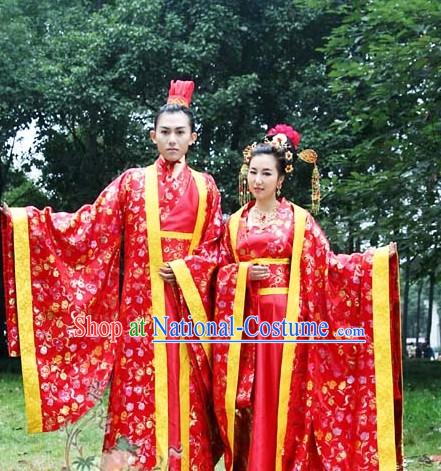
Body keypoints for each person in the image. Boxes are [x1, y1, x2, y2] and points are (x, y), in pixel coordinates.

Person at [1, 80, 223, 470]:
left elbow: (216, 247)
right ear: (153, 136)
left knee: (186, 398)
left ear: (193, 138)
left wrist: (189, 269)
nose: (172, 140)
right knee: (137, 396)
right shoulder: (132, 183)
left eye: (180, 133)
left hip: (190, 316)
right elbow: (88, 226)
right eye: (165, 132)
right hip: (139, 315)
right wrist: (24, 222)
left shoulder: (206, 188)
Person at [213, 124, 403, 470]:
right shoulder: (233, 223)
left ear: (281, 179)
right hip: (246, 323)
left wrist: (373, 262)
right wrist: (239, 274)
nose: (258, 180)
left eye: (266, 173)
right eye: (253, 172)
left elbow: (328, 267)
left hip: (288, 323)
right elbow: (217, 270)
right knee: (253, 401)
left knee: (284, 400)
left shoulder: (299, 221)